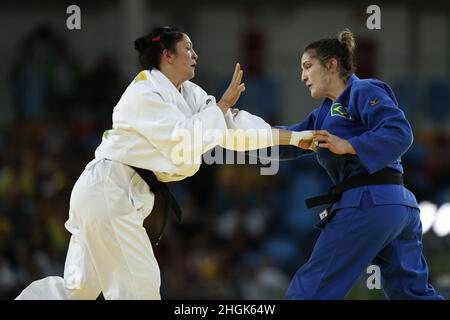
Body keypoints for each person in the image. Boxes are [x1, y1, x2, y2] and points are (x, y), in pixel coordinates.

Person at [15, 26, 307, 300]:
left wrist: (292, 138)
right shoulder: (144, 92)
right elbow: (183, 140)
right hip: (109, 190)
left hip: (109, 195)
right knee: (140, 286)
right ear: (167, 55)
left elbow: (229, 128)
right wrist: (221, 107)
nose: (195, 55)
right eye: (188, 48)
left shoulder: (188, 93)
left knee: (78, 291)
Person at [279, 29, 444, 300]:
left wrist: (349, 145)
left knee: (311, 290)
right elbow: (288, 139)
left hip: (368, 202)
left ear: (332, 64)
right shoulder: (323, 114)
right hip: (395, 207)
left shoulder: (363, 89)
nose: (303, 76)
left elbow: (399, 131)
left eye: (308, 66)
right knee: (412, 295)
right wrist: (232, 131)